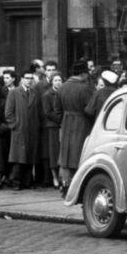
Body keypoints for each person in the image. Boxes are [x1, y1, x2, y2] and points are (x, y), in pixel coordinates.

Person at [56, 61, 95, 193]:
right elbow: (90, 109)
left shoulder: (62, 87)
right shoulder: (85, 88)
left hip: (66, 123)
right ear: (83, 74)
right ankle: (78, 187)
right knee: (79, 154)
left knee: (66, 155)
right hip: (82, 123)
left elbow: (57, 110)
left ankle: (65, 185)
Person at [5, 70, 41, 190]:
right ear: (21, 79)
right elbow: (8, 112)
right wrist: (15, 125)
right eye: (26, 78)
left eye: (31, 78)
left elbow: (38, 111)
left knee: (30, 157)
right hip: (19, 130)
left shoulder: (35, 92)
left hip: (32, 130)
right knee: (18, 158)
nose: (29, 80)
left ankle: (28, 181)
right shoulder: (14, 93)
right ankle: (16, 182)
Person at [41, 71, 63, 190]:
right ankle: (54, 177)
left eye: (60, 80)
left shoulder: (64, 93)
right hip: (53, 126)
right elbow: (47, 112)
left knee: (61, 152)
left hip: (63, 126)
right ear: (51, 82)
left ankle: (62, 177)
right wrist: (60, 118)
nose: (58, 82)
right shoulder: (47, 95)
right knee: (54, 153)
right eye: (55, 80)